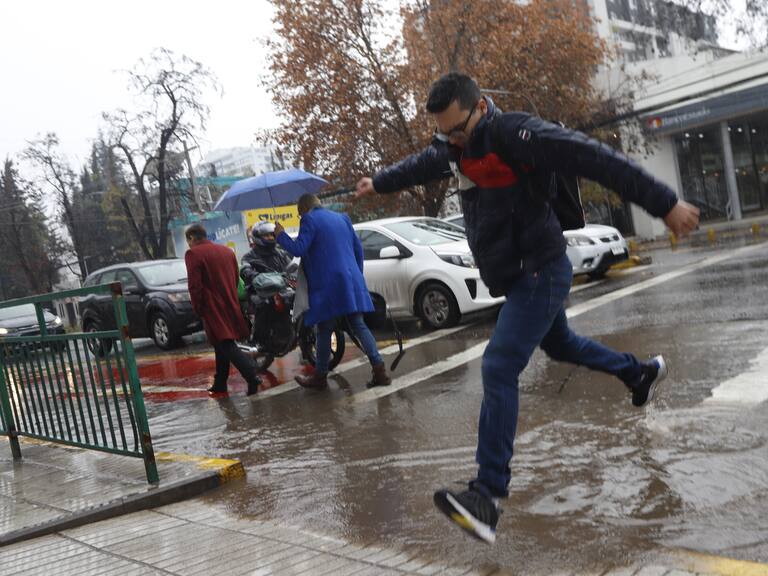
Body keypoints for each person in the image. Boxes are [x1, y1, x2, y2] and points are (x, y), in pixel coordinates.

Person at [355, 72, 700, 544]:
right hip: (519, 275)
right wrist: (378, 182)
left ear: (479, 108)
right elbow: (422, 163)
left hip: (541, 268)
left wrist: (665, 204)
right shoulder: (454, 148)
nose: (451, 140)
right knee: (561, 344)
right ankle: (638, 373)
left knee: (498, 365)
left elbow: (594, 158)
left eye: (457, 129)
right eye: (443, 133)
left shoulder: (518, 133)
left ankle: (487, 498)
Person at [273, 193, 391, 390]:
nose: (300, 216)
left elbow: (299, 249)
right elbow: (358, 250)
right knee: (358, 324)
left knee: (324, 329)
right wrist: (355, 277)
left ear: (303, 209)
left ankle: (320, 376)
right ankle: (379, 370)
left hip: (327, 284)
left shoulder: (309, 219)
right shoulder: (342, 218)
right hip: (350, 279)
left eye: (298, 213)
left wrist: (281, 236)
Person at [184, 223, 262, 396]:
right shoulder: (227, 251)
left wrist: (198, 307)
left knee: (225, 343)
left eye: (188, 241)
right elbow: (235, 278)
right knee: (220, 343)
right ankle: (220, 381)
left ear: (191, 238)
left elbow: (195, 286)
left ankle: (251, 375)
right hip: (230, 301)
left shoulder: (193, 254)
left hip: (211, 305)